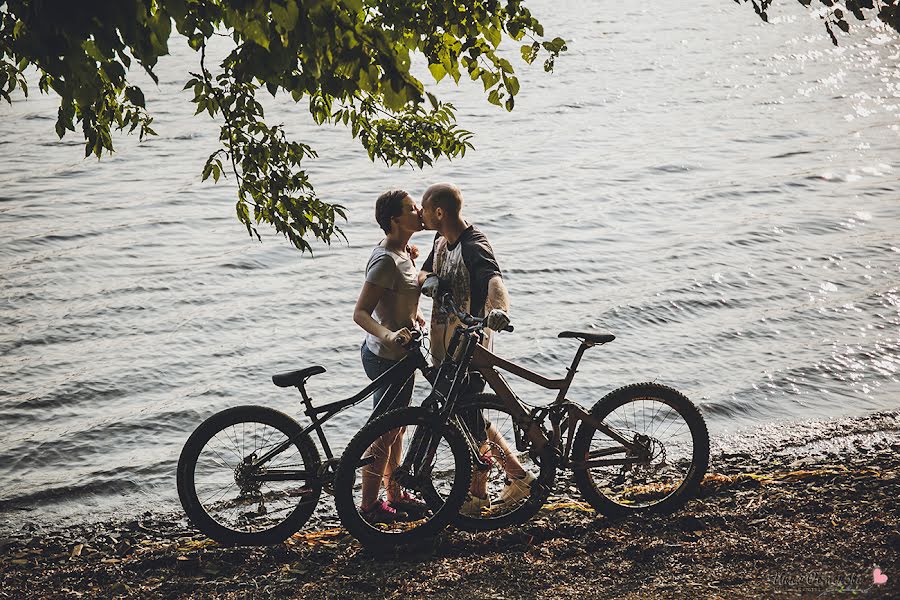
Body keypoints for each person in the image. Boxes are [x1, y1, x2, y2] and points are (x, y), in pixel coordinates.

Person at [417, 182, 536, 516]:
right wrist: (426, 278)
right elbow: (426, 268)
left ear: (439, 212)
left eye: (424, 209)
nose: (420, 215)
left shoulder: (474, 244)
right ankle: (519, 477)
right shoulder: (441, 239)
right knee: (470, 418)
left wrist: (500, 311)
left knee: (468, 418)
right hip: (444, 345)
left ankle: (478, 494)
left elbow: (495, 280)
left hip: (469, 347)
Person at [352, 189, 427, 523]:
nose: (420, 210)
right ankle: (369, 506)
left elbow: (402, 294)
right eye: (413, 208)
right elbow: (361, 313)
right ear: (396, 220)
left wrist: (415, 317)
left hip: (402, 355)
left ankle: (394, 494)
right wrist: (391, 334)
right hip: (385, 355)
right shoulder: (385, 260)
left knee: (396, 429)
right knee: (383, 432)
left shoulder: (402, 252)